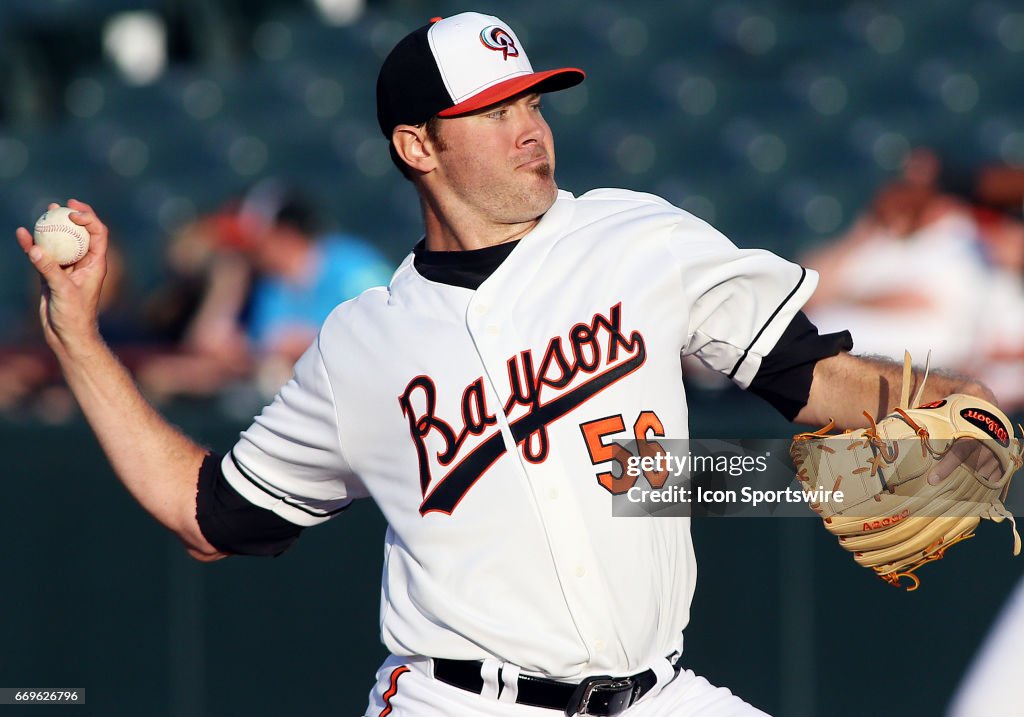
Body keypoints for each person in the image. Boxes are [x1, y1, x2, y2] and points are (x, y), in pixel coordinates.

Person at [14, 12, 1006, 717]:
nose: (527, 126)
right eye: (491, 111)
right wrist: (81, 339)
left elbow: (815, 380)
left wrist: (953, 408)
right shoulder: (363, 344)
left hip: (656, 693)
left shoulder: (635, 238)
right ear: (416, 144)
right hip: (459, 700)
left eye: (531, 99)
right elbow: (209, 516)